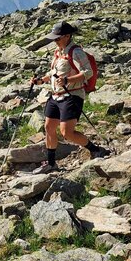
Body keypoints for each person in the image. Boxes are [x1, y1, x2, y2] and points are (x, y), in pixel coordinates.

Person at [30, 20, 110, 174]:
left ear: (67, 36)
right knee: (49, 127)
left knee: (67, 133)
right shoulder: (58, 52)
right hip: (55, 96)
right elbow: (53, 73)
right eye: (54, 38)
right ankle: (52, 164)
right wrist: (41, 80)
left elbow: (88, 72)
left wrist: (68, 80)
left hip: (72, 95)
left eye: (57, 38)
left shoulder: (76, 52)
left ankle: (96, 150)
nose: (55, 40)